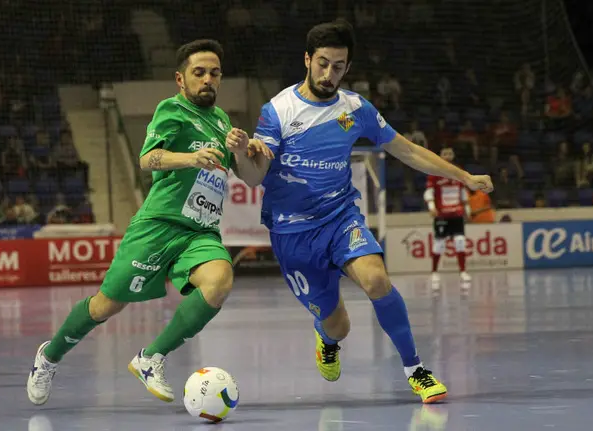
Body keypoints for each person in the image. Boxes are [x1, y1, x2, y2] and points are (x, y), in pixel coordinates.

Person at [226, 20, 493, 404]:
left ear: (347, 68)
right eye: (322, 63)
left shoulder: (356, 109)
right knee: (339, 325)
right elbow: (254, 177)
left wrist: (463, 177)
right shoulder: (278, 110)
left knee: (377, 280)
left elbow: (407, 150)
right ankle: (326, 337)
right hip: (293, 233)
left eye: (338, 66)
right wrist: (242, 154)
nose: (328, 74)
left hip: (340, 217)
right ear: (307, 59)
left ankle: (415, 369)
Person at [27, 39, 273, 406]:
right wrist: (190, 159)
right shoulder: (171, 110)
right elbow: (147, 159)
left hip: (200, 232)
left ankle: (151, 357)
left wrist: (244, 152)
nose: (208, 79)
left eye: (215, 73)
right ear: (181, 79)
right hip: (159, 225)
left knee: (220, 280)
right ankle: (49, 356)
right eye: (199, 72)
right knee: (106, 306)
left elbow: (252, 180)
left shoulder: (222, 121)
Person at [424, 147, 472, 285]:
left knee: (460, 242)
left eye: (450, 153)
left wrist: (467, 210)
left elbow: (463, 192)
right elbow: (429, 192)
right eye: (445, 154)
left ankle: (463, 272)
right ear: (440, 155)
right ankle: (434, 272)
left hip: (457, 214)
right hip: (442, 216)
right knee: (439, 244)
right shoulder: (434, 172)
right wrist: (432, 207)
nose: (448, 156)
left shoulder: (458, 171)